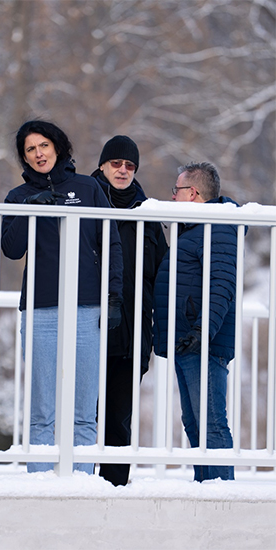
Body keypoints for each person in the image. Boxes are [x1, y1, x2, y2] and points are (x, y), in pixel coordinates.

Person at [2, 120, 124, 474]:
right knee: (42, 411)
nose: (38, 154)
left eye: (44, 145)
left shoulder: (88, 188)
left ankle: (82, 484)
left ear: (57, 146)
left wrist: (113, 296)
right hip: (41, 309)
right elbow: (11, 248)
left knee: (84, 411)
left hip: (87, 309)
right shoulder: (18, 196)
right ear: (24, 157)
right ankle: (40, 486)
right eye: (30, 149)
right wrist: (31, 210)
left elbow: (111, 242)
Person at [153, 161, 240, 482]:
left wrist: (203, 330)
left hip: (202, 342)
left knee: (211, 423)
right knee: (194, 423)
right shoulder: (196, 230)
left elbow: (222, 284)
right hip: (187, 341)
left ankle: (221, 496)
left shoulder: (217, 228)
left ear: (192, 193)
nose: (172, 197)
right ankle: (206, 490)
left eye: (175, 191)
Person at [91, 135, 168, 486]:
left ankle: (114, 489)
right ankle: (74, 486)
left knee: (119, 419)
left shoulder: (148, 213)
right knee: (82, 416)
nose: (123, 170)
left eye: (130, 165)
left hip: (133, 332)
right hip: (90, 328)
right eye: (116, 163)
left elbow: (162, 272)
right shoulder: (84, 201)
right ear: (102, 165)